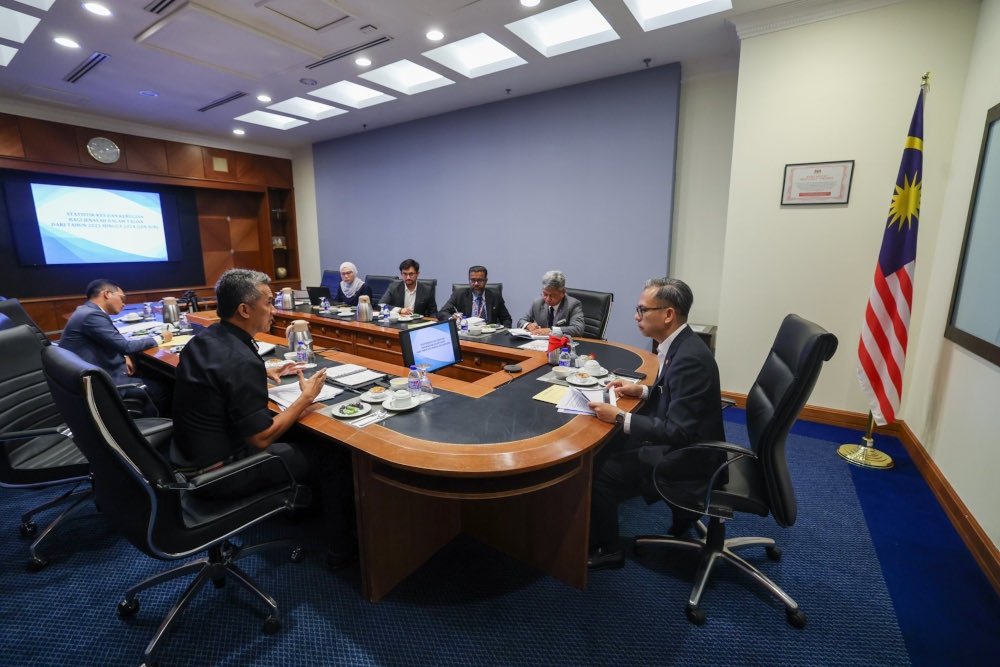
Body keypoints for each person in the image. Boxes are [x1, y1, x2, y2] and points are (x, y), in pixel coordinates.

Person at [170, 269, 357, 570]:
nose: (274, 310)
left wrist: (262, 371)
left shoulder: (204, 339)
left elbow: (219, 383)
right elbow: (260, 439)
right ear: (244, 310)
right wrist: (306, 398)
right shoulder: (241, 361)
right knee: (334, 455)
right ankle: (340, 551)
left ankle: (300, 511)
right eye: (269, 302)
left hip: (185, 459)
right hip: (218, 474)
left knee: (301, 435)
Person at [585, 277, 725, 571]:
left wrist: (620, 416)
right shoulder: (681, 344)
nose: (636, 317)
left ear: (668, 314)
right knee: (614, 444)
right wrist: (643, 391)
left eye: (642, 310)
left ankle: (609, 550)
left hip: (693, 455)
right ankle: (684, 515)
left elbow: (678, 431)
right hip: (693, 439)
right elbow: (676, 394)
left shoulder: (689, 358)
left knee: (601, 470)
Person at [59, 279, 172, 416]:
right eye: (122, 298)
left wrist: (124, 355)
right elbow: (126, 346)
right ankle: (154, 425)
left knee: (152, 373)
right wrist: (160, 338)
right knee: (165, 387)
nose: (124, 303)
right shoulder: (92, 315)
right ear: (107, 294)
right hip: (101, 383)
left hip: (89, 376)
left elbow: (113, 343)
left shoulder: (86, 310)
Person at [516, 270, 585, 337]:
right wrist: (528, 325)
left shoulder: (573, 305)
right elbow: (521, 321)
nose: (548, 299)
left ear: (563, 293)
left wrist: (551, 330)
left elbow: (578, 329)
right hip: (539, 342)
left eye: (552, 295)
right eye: (545, 294)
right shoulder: (538, 303)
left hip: (561, 343)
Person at [439, 265, 512, 327]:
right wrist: (451, 318)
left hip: (490, 334)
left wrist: (503, 332)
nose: (476, 283)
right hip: (467, 333)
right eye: (473, 280)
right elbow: (442, 312)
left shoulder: (495, 296)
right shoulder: (459, 295)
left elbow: (506, 319)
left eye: (480, 280)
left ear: (486, 281)